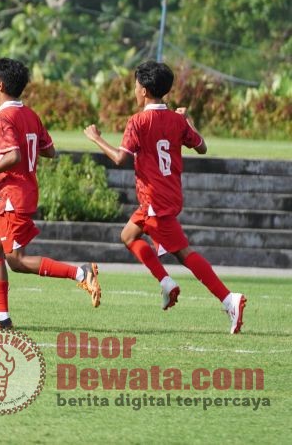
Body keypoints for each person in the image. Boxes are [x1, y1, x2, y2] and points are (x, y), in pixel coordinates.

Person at [84, 60, 246, 334]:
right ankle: (166, 283)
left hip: (154, 200)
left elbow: (121, 158)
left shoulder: (138, 121)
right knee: (128, 236)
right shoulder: (177, 120)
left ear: (145, 90)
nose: (134, 91)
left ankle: (229, 299)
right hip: (167, 195)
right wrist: (189, 121)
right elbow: (202, 147)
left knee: (184, 254)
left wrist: (96, 138)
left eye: (135, 87)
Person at [0, 58, 101, 329]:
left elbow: (14, 155)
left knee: (15, 260)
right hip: (20, 192)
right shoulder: (29, 115)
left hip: (12, 196)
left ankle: (80, 272)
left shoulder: (4, 117)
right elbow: (50, 151)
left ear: (1, 85)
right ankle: (1, 317)